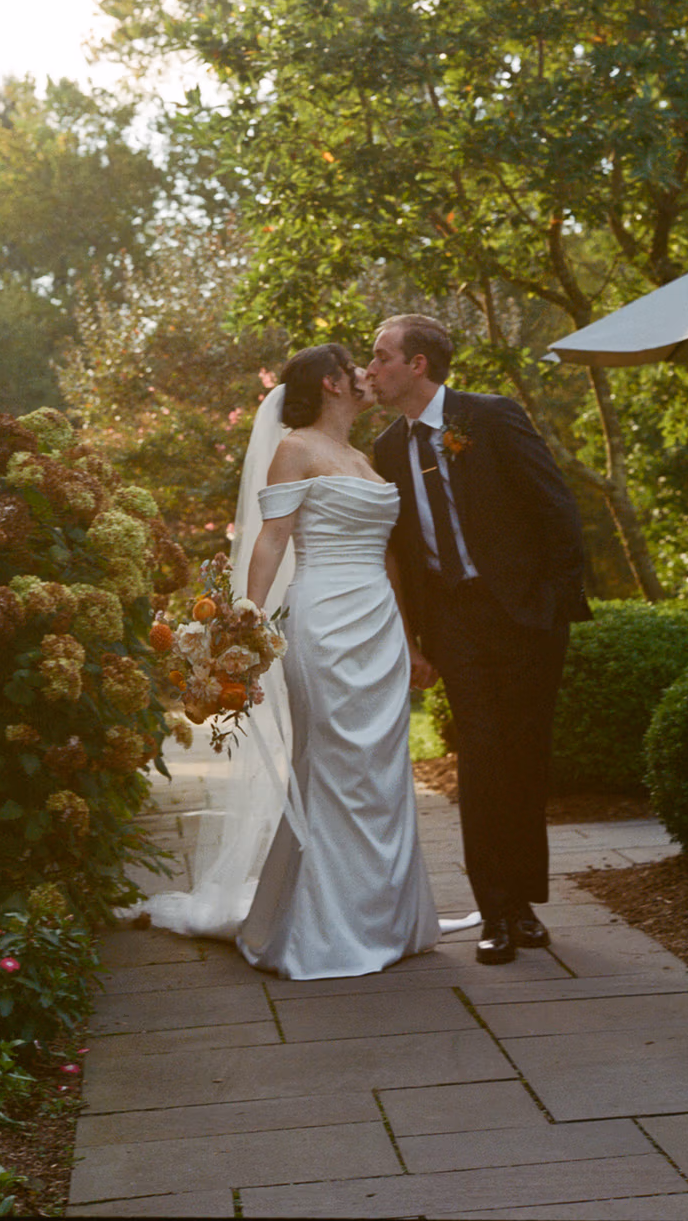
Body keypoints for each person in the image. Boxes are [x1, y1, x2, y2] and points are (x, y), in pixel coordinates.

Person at [142, 343, 438, 980]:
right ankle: (321, 931)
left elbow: (388, 556)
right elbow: (271, 539)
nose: (368, 373)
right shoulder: (296, 448)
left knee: (383, 771)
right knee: (332, 763)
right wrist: (244, 624)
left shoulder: (365, 457)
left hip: (379, 624)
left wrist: (410, 640)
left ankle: (385, 919)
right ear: (332, 383)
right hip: (324, 620)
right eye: (358, 367)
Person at [366, 313, 591, 966]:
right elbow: (400, 556)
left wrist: (551, 606)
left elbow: (558, 510)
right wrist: (414, 636)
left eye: (381, 357)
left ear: (418, 366)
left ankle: (524, 901)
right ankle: (496, 910)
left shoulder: (490, 417)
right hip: (454, 624)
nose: (370, 369)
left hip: (525, 619)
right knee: (482, 759)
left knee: (524, 758)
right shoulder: (385, 450)